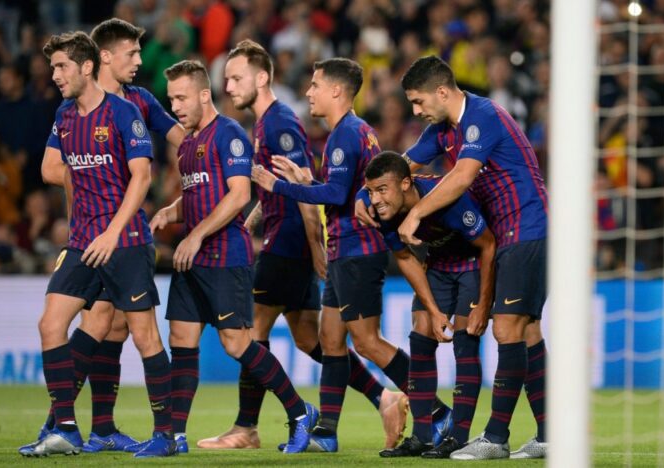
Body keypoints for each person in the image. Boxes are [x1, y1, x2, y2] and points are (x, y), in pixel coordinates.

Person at [194, 39, 406, 451]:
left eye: (236, 78)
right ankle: (381, 399)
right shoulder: (267, 125)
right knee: (314, 339)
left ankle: (248, 427)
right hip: (293, 240)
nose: (228, 86)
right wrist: (251, 220)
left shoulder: (280, 124)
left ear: (261, 78)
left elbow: (307, 188)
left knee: (251, 331)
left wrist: (314, 246)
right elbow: (283, 188)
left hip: (289, 244)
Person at [251, 57, 452, 453]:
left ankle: (437, 411)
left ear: (336, 90)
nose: (308, 92)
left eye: (315, 85)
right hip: (344, 249)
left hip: (359, 250)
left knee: (368, 342)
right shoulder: (354, 132)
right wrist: (306, 179)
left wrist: (279, 186)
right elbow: (340, 190)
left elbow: (337, 194)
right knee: (330, 340)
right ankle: (326, 433)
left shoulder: (346, 134)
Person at [20, 31, 176, 458]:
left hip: (125, 241)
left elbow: (141, 177)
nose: (55, 75)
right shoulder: (65, 116)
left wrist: (112, 232)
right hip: (83, 242)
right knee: (51, 324)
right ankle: (67, 430)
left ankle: (165, 435)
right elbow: (53, 169)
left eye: (61, 66)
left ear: (87, 66)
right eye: (53, 67)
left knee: (144, 336)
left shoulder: (125, 113)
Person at [150, 59, 317, 454]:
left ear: (203, 95)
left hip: (225, 256)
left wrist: (196, 235)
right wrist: (171, 212)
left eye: (182, 98)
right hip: (192, 259)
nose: (176, 106)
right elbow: (199, 195)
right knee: (181, 338)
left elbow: (240, 194)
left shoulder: (229, 134)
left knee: (237, 343)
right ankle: (173, 437)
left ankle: (299, 412)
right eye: (171, 99)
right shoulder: (187, 144)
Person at [398, 55, 547, 460]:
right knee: (527, 331)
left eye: (418, 101)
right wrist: (368, 192)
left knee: (508, 329)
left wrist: (416, 212)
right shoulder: (442, 130)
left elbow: (462, 176)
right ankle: (550, 434)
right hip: (508, 232)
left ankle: (496, 438)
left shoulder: (482, 116)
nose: (416, 111)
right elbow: (401, 167)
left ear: (442, 92)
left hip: (526, 226)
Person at [358, 151, 495, 458]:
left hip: (473, 263)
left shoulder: (449, 200)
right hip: (439, 265)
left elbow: (487, 244)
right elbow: (404, 257)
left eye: (382, 190)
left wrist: (484, 304)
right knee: (420, 337)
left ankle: (458, 436)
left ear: (406, 184)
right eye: (371, 191)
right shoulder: (385, 212)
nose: (376, 200)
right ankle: (422, 436)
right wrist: (433, 311)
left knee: (464, 341)